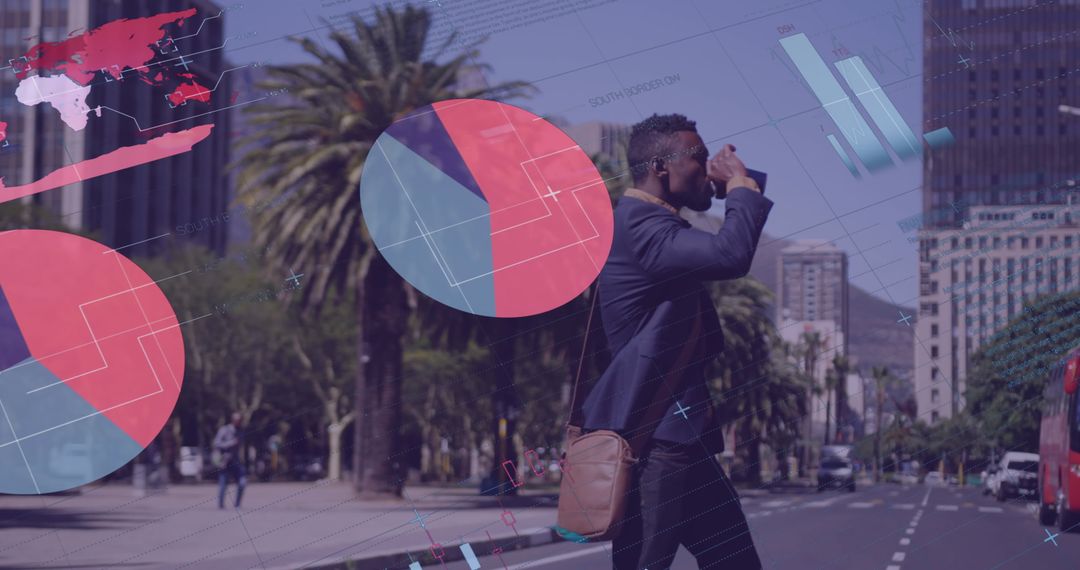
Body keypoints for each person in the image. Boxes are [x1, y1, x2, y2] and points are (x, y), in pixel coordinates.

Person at [579, 113, 773, 569]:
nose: (709, 171)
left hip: (679, 441)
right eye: (699, 159)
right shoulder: (641, 226)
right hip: (654, 444)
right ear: (662, 168)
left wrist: (742, 182)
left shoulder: (651, 224)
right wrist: (738, 189)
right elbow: (730, 255)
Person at [214, 412, 247, 509]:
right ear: (233, 420)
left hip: (236, 462)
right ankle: (221, 505)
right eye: (237, 420)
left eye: (240, 420)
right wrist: (231, 443)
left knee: (242, 482)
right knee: (223, 485)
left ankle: (237, 504)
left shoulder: (241, 431)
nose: (239, 422)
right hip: (224, 461)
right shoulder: (224, 430)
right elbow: (217, 443)